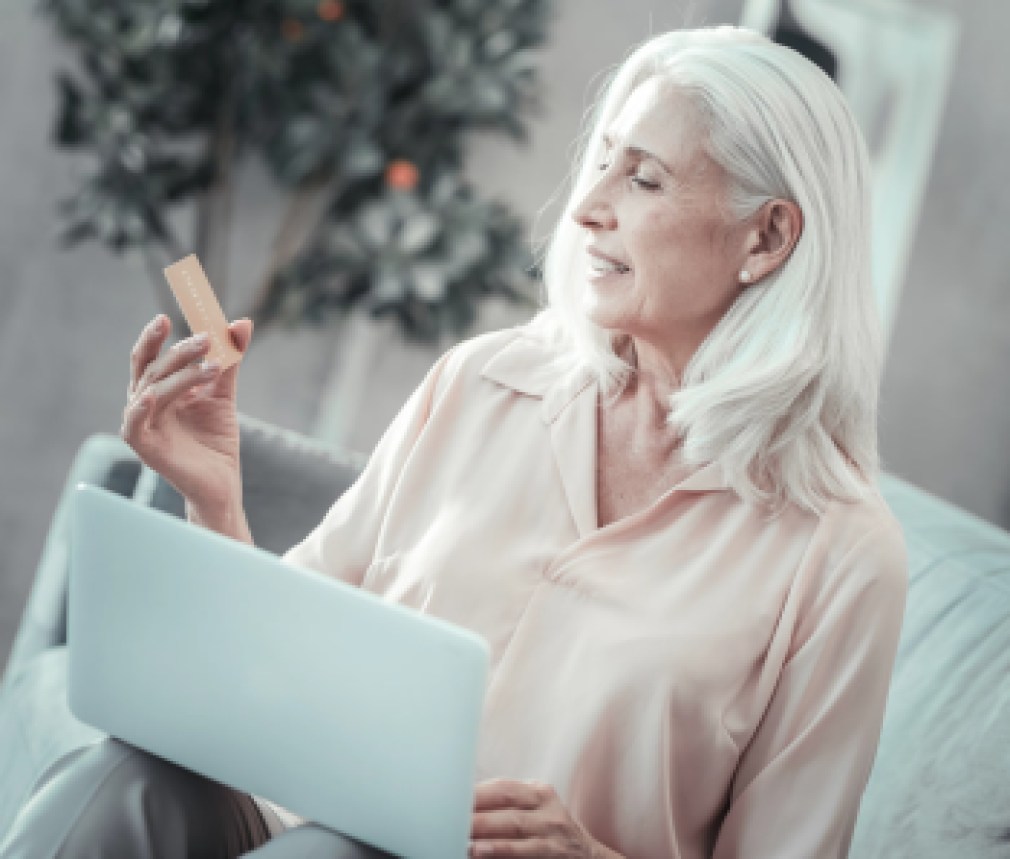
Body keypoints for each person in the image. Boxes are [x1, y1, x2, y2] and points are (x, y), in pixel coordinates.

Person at [1, 24, 908, 859]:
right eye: (600, 163)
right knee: (123, 782)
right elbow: (269, 677)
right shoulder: (485, 382)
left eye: (643, 178)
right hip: (318, 831)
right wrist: (215, 496)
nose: (588, 206)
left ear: (769, 236)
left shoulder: (840, 551)